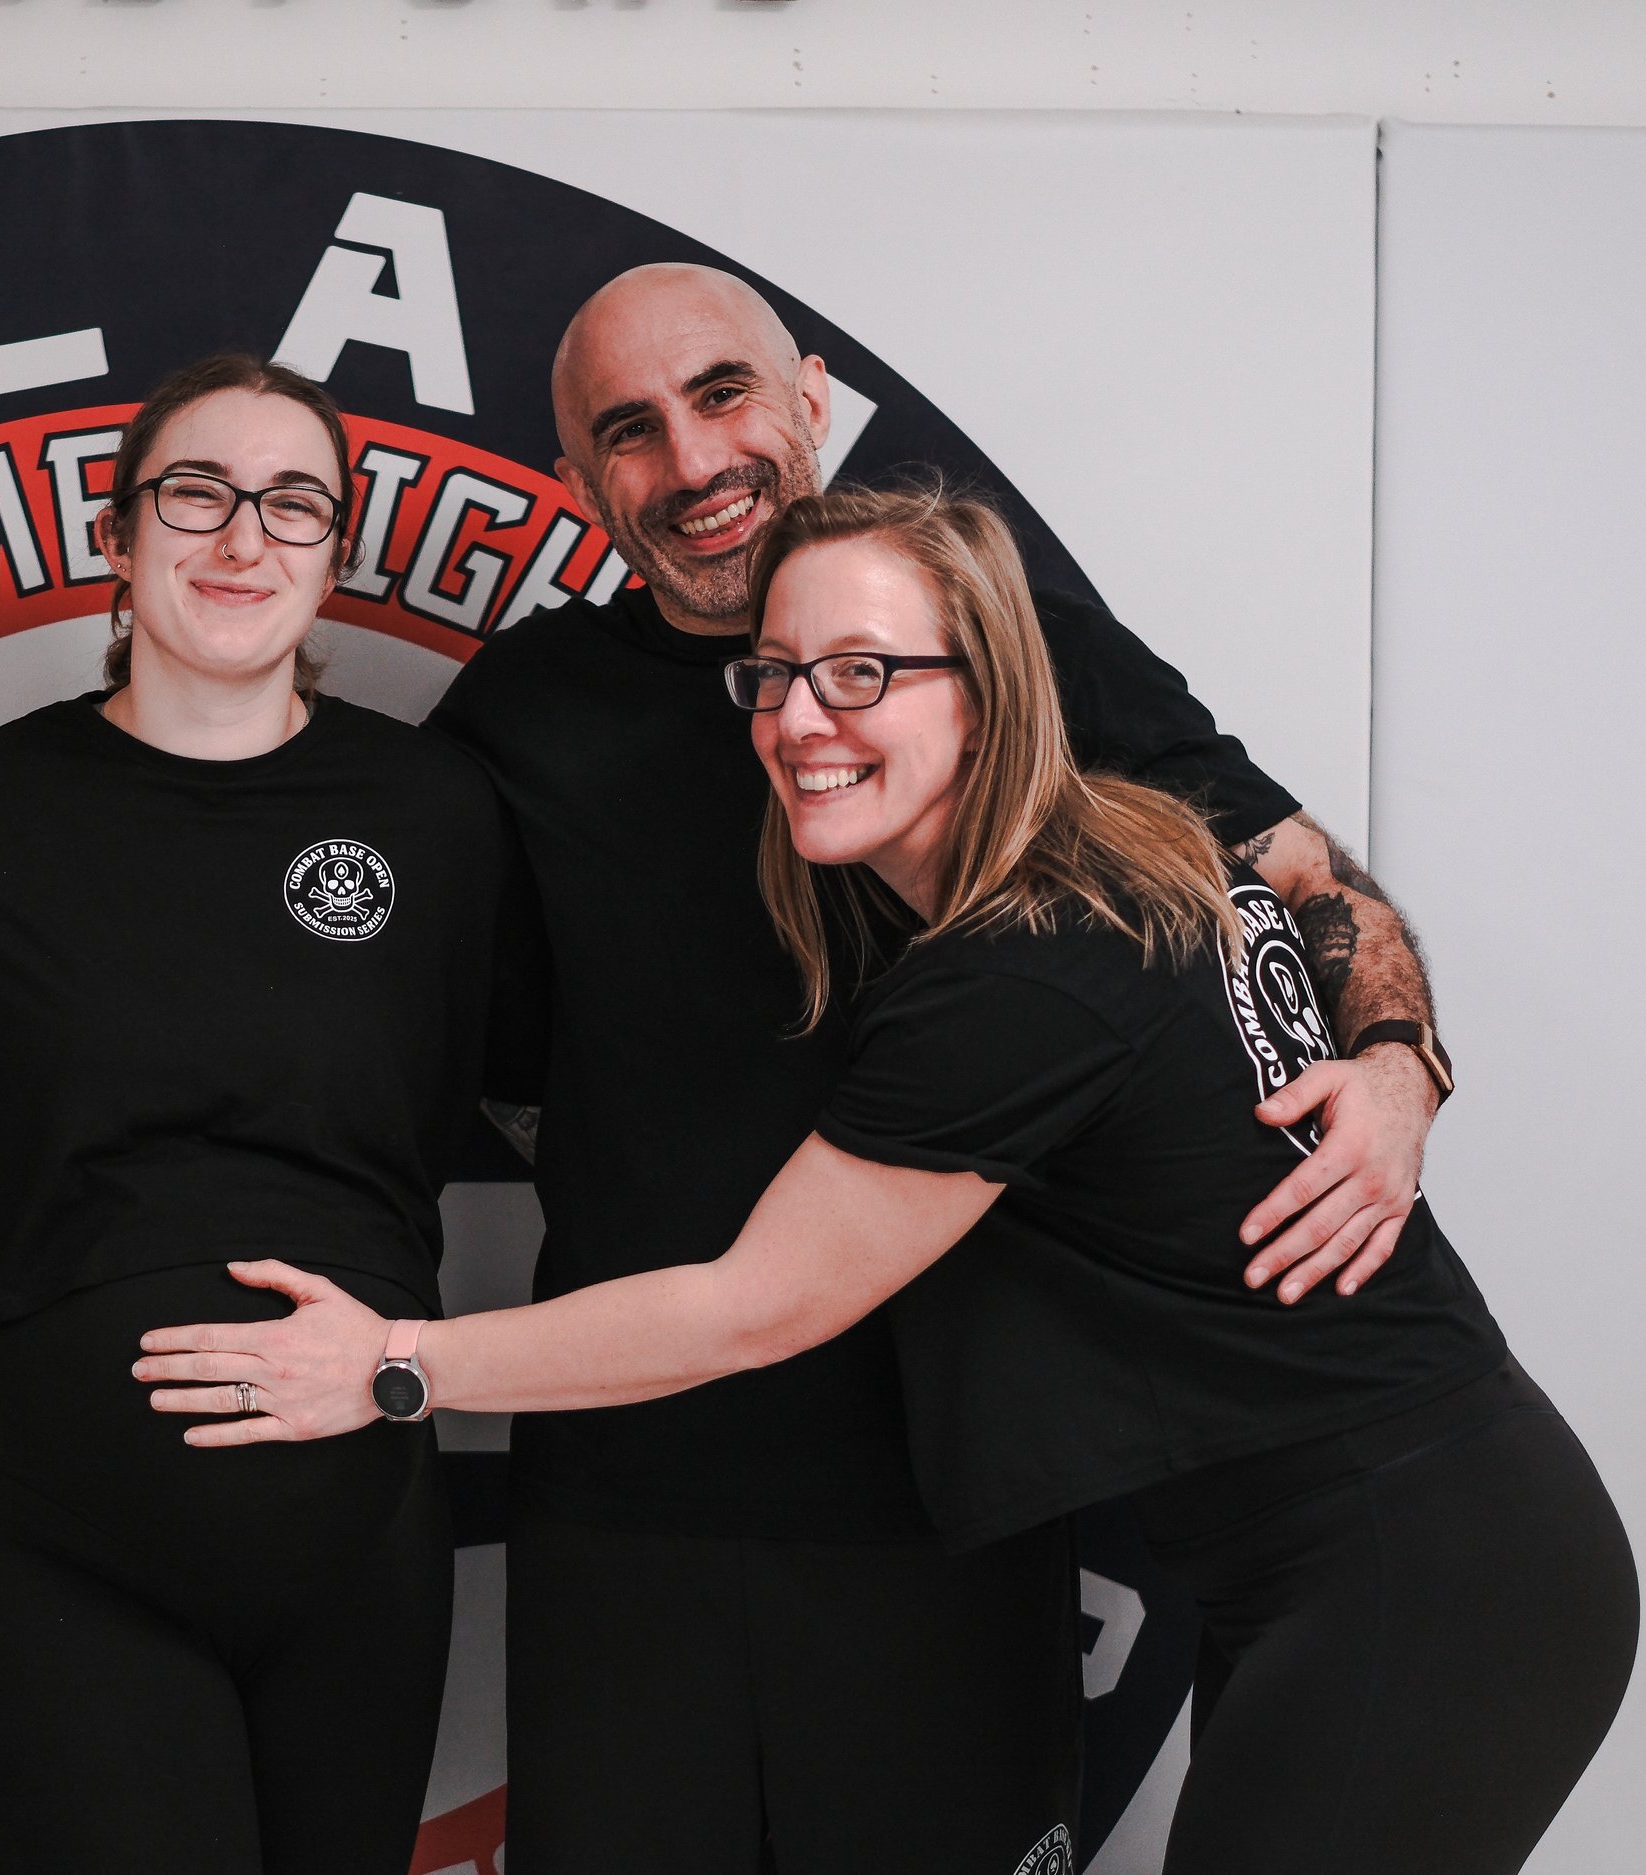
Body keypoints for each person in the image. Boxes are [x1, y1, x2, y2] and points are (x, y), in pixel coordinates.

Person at [0, 262, 1452, 1872]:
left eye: (723, 394)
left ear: (808, 399)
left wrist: (1396, 1059)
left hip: (938, 1483)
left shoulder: (1003, 645)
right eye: (629, 429)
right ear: (579, 478)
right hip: (621, 1489)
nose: (692, 461)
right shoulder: (519, 721)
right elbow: (306, 940)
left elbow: (1288, 868)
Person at [137, 482, 1639, 1875]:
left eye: (863, 674)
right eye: (776, 675)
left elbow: (750, 1308)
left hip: (1414, 1569)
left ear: (987, 690)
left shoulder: (1021, 968)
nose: (801, 721)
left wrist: (391, 1366)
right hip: (1391, 1544)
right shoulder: (1129, 851)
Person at [0, 354, 509, 1874]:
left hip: (354, 1542)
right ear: (119, 532)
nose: (243, 537)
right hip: (51, 1535)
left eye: (293, 504)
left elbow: (550, 1098)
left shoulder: (440, 815)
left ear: (335, 556)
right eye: (197, 493)